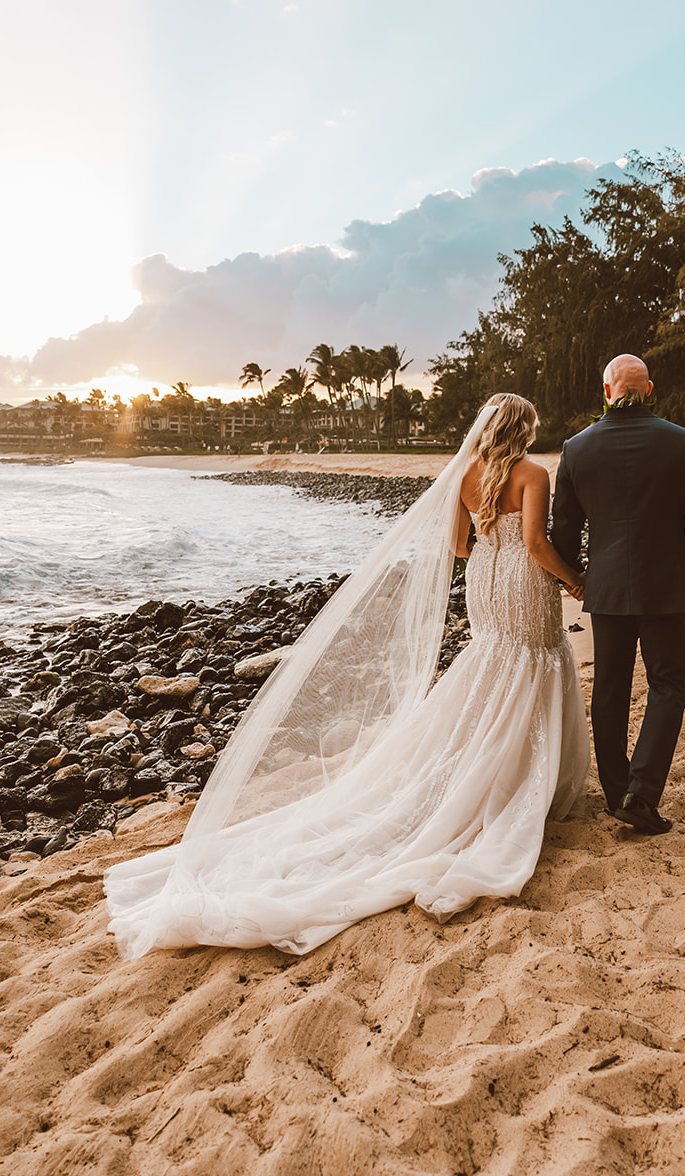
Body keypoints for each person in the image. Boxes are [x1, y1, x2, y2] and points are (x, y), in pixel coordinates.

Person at [105, 394, 589, 958]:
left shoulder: (464, 473)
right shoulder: (533, 473)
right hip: (523, 582)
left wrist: (489, 537)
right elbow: (534, 543)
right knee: (531, 663)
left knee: (492, 664)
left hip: (484, 580)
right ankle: (520, 780)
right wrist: (573, 581)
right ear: (523, 428)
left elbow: (459, 548)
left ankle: (485, 767)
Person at [552, 354, 685, 835]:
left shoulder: (577, 448)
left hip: (606, 588)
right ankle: (640, 794)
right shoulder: (683, 443)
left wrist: (573, 575)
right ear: (649, 389)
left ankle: (615, 790)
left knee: (610, 686)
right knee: (668, 686)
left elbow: (565, 524)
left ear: (607, 392)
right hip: (668, 585)